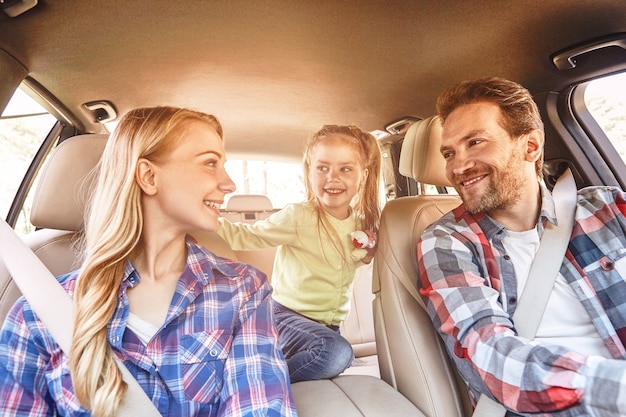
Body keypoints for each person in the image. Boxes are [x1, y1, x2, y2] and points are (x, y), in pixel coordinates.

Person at [0, 107, 298, 417]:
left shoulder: (243, 290)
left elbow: (259, 406)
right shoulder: (36, 315)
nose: (229, 183)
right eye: (210, 163)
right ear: (149, 176)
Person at [418, 76, 626, 416]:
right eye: (449, 153)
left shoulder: (609, 209)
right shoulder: (446, 242)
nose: (457, 167)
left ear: (530, 146)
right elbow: (490, 354)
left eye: (475, 142)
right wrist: (613, 389)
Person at [217, 125, 381, 382]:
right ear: (309, 172)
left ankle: (270, 369)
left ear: (363, 175)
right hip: (285, 316)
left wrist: (369, 253)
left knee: (341, 355)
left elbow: (347, 264)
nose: (332, 177)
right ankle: (262, 383)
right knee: (337, 353)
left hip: (327, 328)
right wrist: (208, 220)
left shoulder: (360, 225)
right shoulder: (299, 216)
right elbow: (246, 236)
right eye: (322, 168)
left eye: (345, 169)